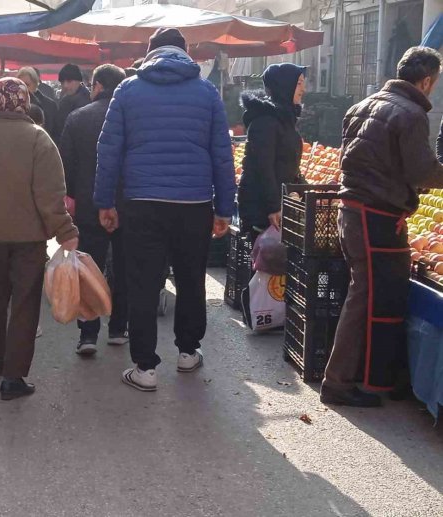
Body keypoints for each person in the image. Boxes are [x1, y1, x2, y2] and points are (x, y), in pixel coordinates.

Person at [95, 27, 235, 392]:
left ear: (150, 51)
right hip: (194, 205)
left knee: (143, 282)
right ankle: (188, 352)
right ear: (186, 53)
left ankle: (145, 368)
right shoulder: (207, 92)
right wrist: (224, 208)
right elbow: (222, 154)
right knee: (190, 279)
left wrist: (105, 202)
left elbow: (108, 151)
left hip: (142, 204)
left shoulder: (127, 90)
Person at [321, 47, 443, 407]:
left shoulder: (363, 105)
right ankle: (339, 382)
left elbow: (350, 157)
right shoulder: (411, 114)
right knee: (367, 298)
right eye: (433, 83)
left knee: (377, 296)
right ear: (425, 81)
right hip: (377, 218)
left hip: (354, 211)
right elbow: (421, 171)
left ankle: (377, 377)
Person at [0, 77, 78, 400]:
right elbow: (50, 193)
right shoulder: (38, 139)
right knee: (25, 302)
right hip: (28, 237)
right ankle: (13, 377)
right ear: (24, 102)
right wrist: (65, 232)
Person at [59, 64, 128, 356]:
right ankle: (118, 328)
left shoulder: (77, 118)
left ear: (97, 85)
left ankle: (88, 334)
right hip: (127, 205)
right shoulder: (131, 118)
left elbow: (66, 166)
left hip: (88, 206)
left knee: (88, 269)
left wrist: (71, 198)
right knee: (124, 269)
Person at [238, 63, 307, 242]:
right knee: (267, 262)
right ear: (285, 86)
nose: (303, 89)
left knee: (274, 264)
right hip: (262, 208)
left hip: (278, 204)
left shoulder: (284, 119)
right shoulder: (265, 122)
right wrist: (273, 207)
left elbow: (286, 164)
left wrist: (302, 187)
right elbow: (264, 168)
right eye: (299, 83)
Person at [53, 63, 90, 142]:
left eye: (69, 81)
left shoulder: (88, 100)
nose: (65, 85)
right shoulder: (64, 101)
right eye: (62, 82)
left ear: (79, 81)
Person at [17, 67, 57, 136]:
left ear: (35, 84)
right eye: (20, 85)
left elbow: (54, 133)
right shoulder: (13, 104)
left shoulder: (50, 106)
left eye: (27, 85)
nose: (23, 88)